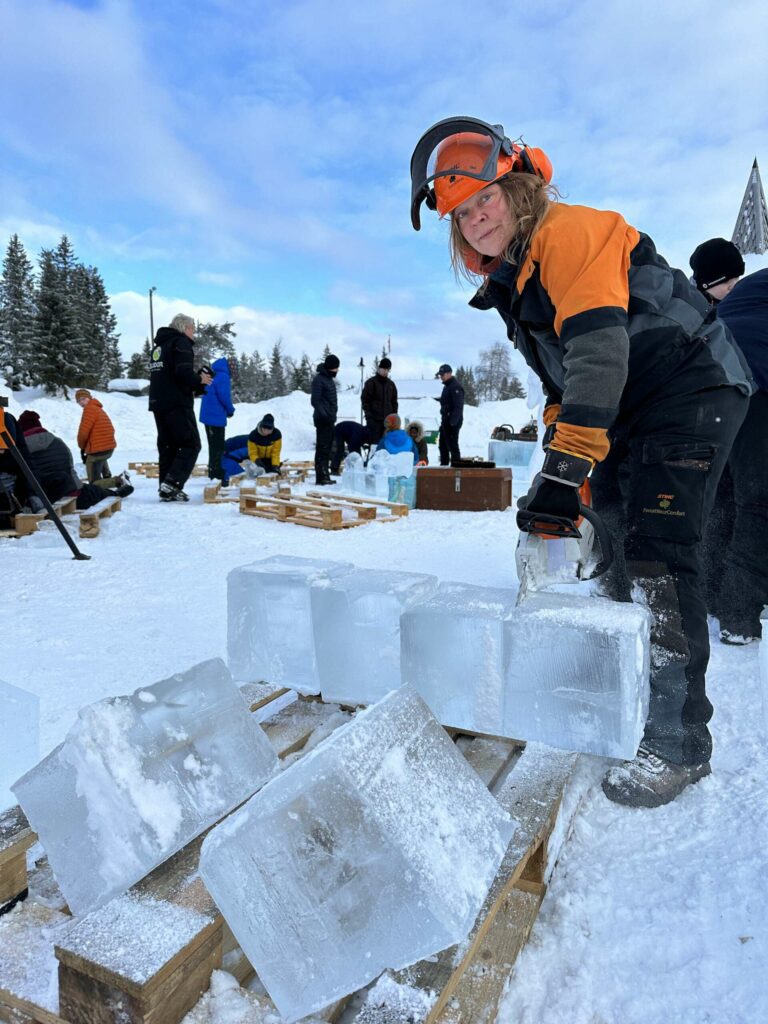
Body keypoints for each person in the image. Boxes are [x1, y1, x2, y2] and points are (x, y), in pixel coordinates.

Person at [410, 116, 751, 808]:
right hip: (635, 405)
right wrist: (558, 475)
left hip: (690, 387)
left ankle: (681, 744)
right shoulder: (518, 280)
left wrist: (566, 476)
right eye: (463, 214)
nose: (476, 220)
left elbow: (599, 356)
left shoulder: (568, 234)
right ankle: (635, 699)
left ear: (518, 188)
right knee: (620, 545)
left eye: (486, 201)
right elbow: (564, 390)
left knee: (658, 556)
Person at [690, 238, 766, 645]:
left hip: (720, 404)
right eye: (727, 280)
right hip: (748, 399)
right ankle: (738, 612)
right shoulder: (729, 303)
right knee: (755, 503)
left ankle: (715, 597)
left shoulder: (726, 305)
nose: (734, 285)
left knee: (725, 499)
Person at [148, 314, 212, 502]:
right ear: (184, 328)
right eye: (193, 329)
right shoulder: (180, 343)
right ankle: (173, 482)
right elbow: (182, 372)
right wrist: (200, 379)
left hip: (158, 403)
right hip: (177, 403)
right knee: (191, 444)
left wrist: (196, 383)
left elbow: (169, 374)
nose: (194, 333)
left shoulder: (159, 347)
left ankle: (165, 487)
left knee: (168, 446)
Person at [17, 410, 133, 509]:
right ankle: (114, 493)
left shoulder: (18, 448)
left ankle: (112, 491)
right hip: (72, 494)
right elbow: (70, 469)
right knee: (93, 491)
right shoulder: (57, 442)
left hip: (42, 497)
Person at [199, 357, 235, 484]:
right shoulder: (223, 376)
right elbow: (224, 396)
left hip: (208, 416)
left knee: (213, 445)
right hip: (215, 417)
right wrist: (230, 410)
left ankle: (213, 471)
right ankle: (217, 474)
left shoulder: (214, 373)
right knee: (218, 447)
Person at [75, 390, 116, 483]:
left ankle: (118, 481)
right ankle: (107, 476)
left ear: (89, 398)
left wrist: (82, 447)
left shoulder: (89, 409)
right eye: (79, 401)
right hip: (108, 449)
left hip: (99, 452)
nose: (81, 402)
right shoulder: (97, 408)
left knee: (94, 482)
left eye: (83, 399)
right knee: (99, 453)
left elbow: (83, 433)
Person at [311, 354, 340, 485]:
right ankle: (321, 476)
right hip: (323, 420)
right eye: (335, 368)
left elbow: (331, 401)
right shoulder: (319, 380)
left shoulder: (328, 379)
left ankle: (325, 475)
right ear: (329, 367)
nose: (337, 371)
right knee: (322, 448)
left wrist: (332, 415)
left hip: (329, 419)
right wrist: (325, 415)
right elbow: (315, 401)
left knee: (327, 449)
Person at [361, 357, 398, 443]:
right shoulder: (371, 383)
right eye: (384, 369)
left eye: (388, 369)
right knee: (374, 445)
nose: (385, 371)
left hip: (388, 422)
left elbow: (394, 402)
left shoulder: (391, 384)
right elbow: (365, 401)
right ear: (379, 368)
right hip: (374, 421)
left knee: (387, 445)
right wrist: (369, 417)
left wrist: (394, 417)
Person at [435, 364, 464, 465]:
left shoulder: (456, 387)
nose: (441, 377)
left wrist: (452, 423)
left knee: (452, 445)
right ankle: (444, 467)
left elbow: (458, 407)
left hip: (453, 421)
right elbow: (446, 402)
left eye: (443, 374)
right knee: (442, 445)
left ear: (449, 374)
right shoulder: (447, 387)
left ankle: (456, 469)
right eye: (440, 375)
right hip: (446, 420)